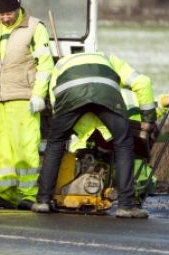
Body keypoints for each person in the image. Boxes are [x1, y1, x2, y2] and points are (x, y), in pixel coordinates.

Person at [32, 51, 157, 218]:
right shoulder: (109, 58)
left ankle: (43, 201)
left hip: (71, 94)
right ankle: (126, 205)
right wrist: (148, 119)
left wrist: (69, 128)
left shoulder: (61, 64)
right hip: (105, 94)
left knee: (56, 142)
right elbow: (143, 81)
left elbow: (56, 98)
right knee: (124, 142)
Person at [0, 0, 54, 210]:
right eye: (2, 14)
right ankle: (5, 193)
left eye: (9, 13)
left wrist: (39, 94)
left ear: (18, 8)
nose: (5, 18)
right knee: (2, 149)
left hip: (23, 97)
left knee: (25, 147)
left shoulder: (34, 28)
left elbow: (45, 65)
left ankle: (27, 194)